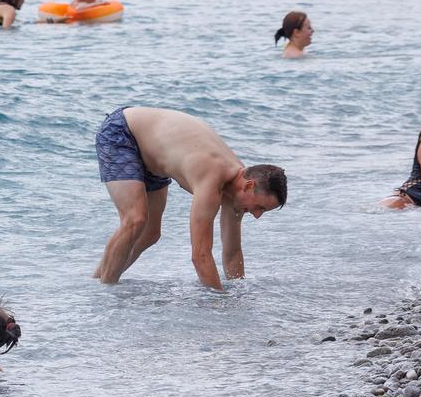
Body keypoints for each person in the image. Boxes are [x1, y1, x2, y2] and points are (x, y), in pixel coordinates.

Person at [92, 107, 287, 291]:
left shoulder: (237, 191)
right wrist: (218, 304)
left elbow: (232, 253)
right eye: (260, 207)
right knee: (135, 219)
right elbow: (200, 256)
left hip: (154, 155)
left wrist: (238, 295)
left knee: (151, 233)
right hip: (124, 133)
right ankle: (105, 293)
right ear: (249, 185)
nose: (257, 215)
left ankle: (99, 280)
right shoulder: (213, 177)